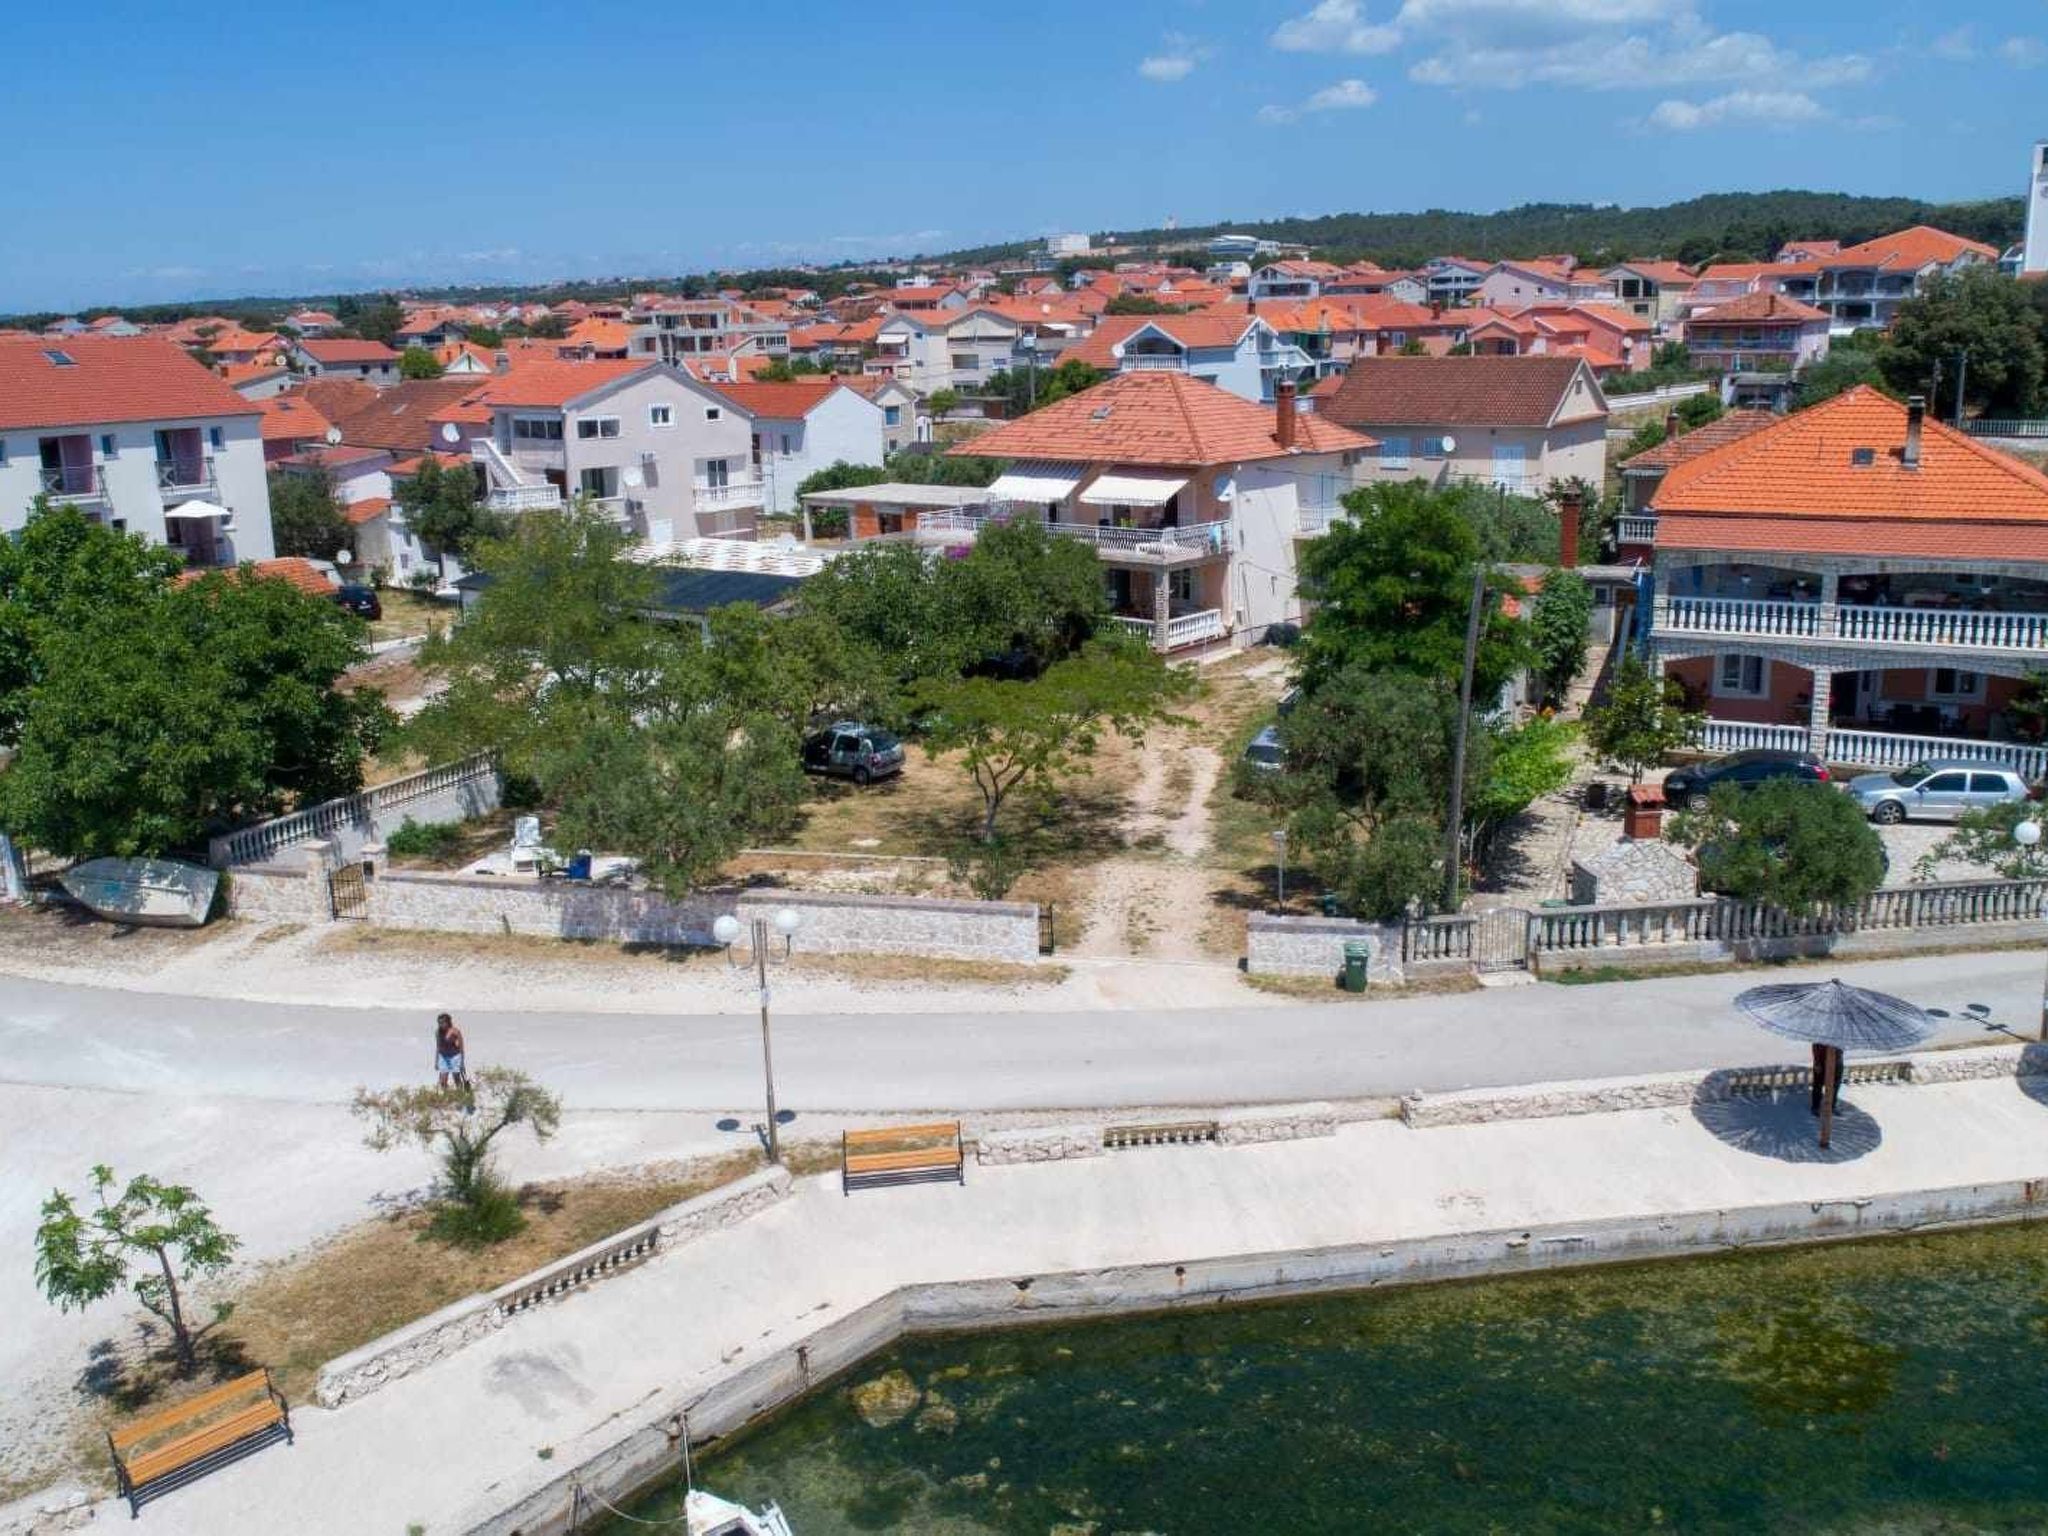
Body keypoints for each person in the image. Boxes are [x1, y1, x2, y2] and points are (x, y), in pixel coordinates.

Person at [434, 1014, 468, 1092]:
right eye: (439, 1023)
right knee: (442, 1081)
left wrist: (462, 1063)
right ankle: (447, 1095)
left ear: (448, 1022)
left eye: (443, 1022)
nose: (441, 1025)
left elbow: (461, 1048)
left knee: (456, 1078)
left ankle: (460, 1094)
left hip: (455, 1057)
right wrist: (436, 1062)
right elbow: (438, 1047)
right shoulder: (438, 1032)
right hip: (443, 1057)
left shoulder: (455, 1031)